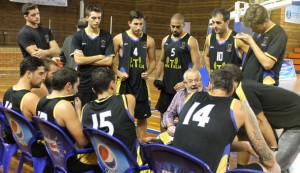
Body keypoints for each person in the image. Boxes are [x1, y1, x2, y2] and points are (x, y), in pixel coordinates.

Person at [172, 69, 280, 173]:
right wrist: (273, 154)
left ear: (210, 86)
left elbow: (204, 140)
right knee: (274, 168)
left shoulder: (190, 97)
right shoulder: (239, 107)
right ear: (232, 90)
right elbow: (268, 160)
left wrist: (244, 145)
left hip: (173, 168)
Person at [222, 64, 300, 173]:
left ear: (231, 79)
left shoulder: (243, 88)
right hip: (288, 118)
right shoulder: (237, 92)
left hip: (297, 122)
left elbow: (261, 121)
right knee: (244, 131)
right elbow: (244, 133)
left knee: (275, 165)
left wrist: (274, 148)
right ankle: (240, 167)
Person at [36, 68, 99, 172]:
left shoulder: (42, 100)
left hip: (53, 157)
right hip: (69, 161)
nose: (77, 91)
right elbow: (82, 141)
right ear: (68, 86)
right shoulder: (64, 106)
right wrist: (78, 112)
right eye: (77, 87)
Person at [81, 67, 154, 157]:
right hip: (130, 164)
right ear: (112, 85)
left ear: (93, 90)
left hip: (104, 162)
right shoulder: (128, 99)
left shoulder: (85, 109)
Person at [112, 10, 156, 140]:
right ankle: (124, 144)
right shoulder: (119, 38)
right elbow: (109, 61)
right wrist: (118, 73)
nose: (138, 27)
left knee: (142, 117)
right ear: (129, 23)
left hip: (141, 84)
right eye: (135, 24)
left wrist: (148, 72)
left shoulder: (149, 40)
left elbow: (153, 61)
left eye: (141, 24)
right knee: (122, 116)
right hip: (124, 84)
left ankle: (141, 145)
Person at [155, 13, 201, 131]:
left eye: (178, 27)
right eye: (173, 26)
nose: (175, 29)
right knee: (164, 115)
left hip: (183, 88)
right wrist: (157, 78)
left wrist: (184, 83)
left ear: (183, 25)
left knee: (183, 116)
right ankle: (163, 141)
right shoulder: (166, 40)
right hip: (167, 86)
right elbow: (161, 61)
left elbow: (197, 64)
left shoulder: (191, 41)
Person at [234, 4, 287, 86]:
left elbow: (267, 64)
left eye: (255, 28)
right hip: (249, 82)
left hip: (263, 86)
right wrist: (246, 44)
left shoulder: (279, 34)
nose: (253, 30)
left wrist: (251, 42)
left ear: (265, 21)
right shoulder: (260, 32)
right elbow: (258, 55)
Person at [72, 4, 114, 107]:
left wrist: (85, 59)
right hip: (84, 82)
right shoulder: (78, 36)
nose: (97, 21)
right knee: (83, 113)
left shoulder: (107, 36)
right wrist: (99, 56)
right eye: (93, 18)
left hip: (101, 82)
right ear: (87, 18)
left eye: (99, 18)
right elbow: (78, 61)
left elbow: (109, 61)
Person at [161, 68, 206, 136]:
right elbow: (168, 113)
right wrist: (170, 126)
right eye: (190, 81)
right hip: (182, 133)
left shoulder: (209, 94)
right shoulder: (180, 94)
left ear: (201, 80)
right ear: (185, 83)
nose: (194, 84)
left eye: (196, 80)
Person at [203, 8, 249, 74]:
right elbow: (206, 56)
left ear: (227, 22)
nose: (215, 26)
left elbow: (252, 57)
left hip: (232, 82)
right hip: (215, 82)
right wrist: (210, 73)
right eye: (213, 22)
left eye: (218, 23)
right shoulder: (209, 38)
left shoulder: (237, 39)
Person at [3, 56, 45, 121]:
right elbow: (46, 125)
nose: (43, 78)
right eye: (40, 74)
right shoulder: (30, 98)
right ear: (28, 74)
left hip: (13, 131)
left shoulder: (8, 91)